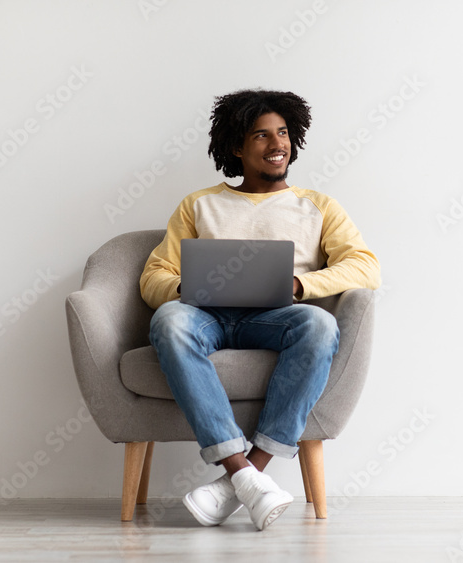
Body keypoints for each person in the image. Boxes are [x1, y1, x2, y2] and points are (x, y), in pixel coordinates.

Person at [139, 89, 381, 531]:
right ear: (237, 147)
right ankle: (248, 476)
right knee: (169, 321)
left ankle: (241, 476)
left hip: (277, 319)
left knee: (320, 324)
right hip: (207, 316)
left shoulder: (319, 206)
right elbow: (154, 275)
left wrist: (299, 284)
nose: (277, 145)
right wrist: (187, 288)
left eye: (284, 133)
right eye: (262, 136)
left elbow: (365, 266)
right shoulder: (199, 204)